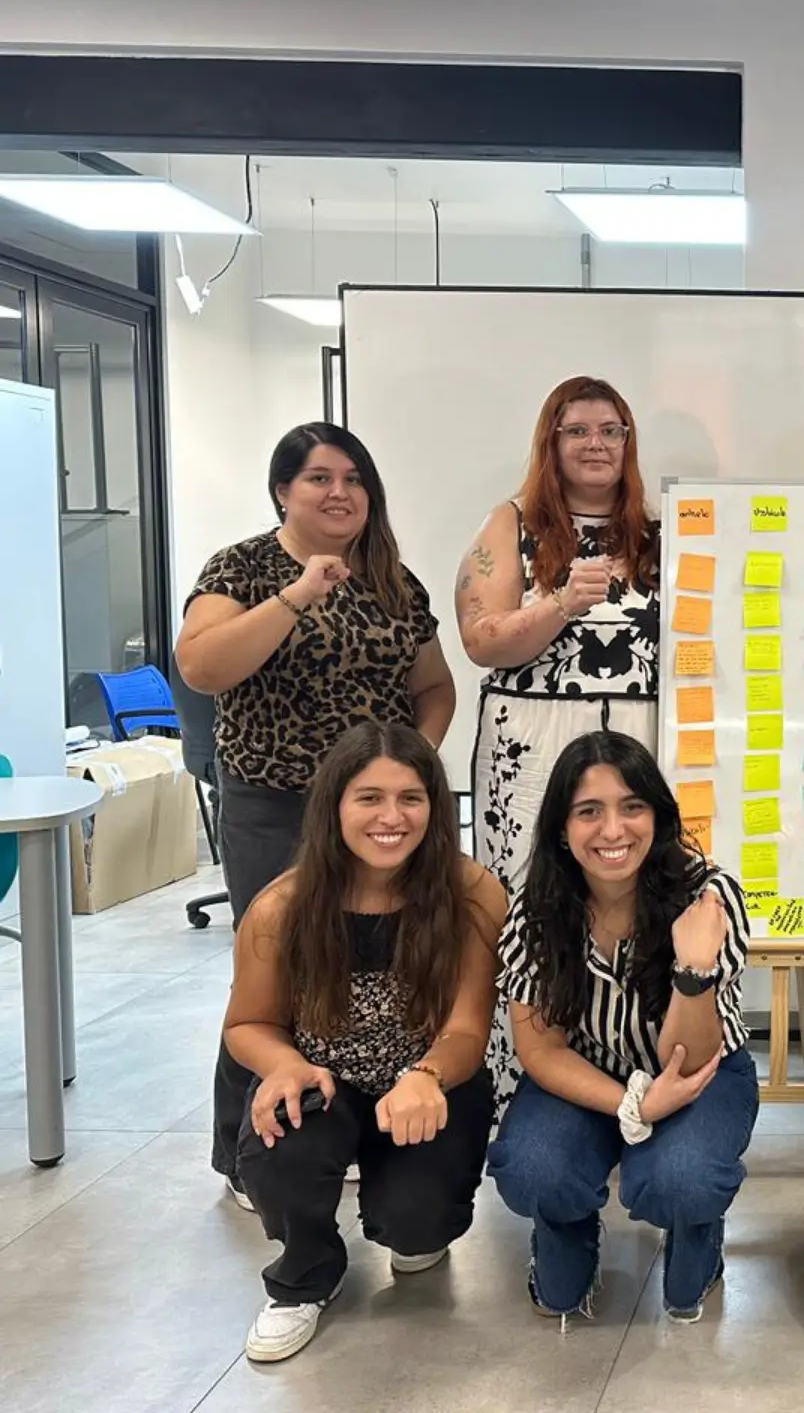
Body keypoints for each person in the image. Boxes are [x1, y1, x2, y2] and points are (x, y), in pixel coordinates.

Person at [177, 421, 457, 1205]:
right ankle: (245, 1152)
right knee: (271, 977)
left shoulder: (393, 579)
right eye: (320, 478)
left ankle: (352, 1133)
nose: (341, 493)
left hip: (380, 821)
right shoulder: (242, 567)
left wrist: (414, 766)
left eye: (354, 479)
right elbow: (202, 666)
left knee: (374, 972)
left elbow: (435, 687)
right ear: (283, 491)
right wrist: (298, 594)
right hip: (279, 806)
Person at [222, 723, 506, 1363]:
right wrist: (285, 1066)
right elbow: (246, 1024)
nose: (391, 817)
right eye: (369, 798)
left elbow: (468, 1029)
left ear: (435, 807)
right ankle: (304, 1275)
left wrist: (426, 1076)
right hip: (323, 1081)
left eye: (410, 798)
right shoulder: (281, 907)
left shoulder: (472, 893)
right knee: (281, 1149)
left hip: (429, 1082)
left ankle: (408, 1216)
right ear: (335, 806)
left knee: (416, 1224)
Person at [485, 731, 757, 1326]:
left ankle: (699, 1233)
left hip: (700, 1073)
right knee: (532, 1172)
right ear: (562, 829)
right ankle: (570, 1233)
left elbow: (690, 1056)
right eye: (589, 811)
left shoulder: (708, 897)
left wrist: (693, 970)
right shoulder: (537, 910)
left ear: (657, 817)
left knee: (682, 1184)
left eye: (632, 806)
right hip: (585, 1074)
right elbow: (540, 1050)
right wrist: (633, 1104)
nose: (613, 830)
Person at [458, 375, 662, 1117]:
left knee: (636, 901)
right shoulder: (510, 525)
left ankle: (630, 1077)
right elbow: (481, 640)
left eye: (611, 430)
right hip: (534, 745)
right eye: (577, 430)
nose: (595, 444)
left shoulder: (658, 532)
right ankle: (522, 1090)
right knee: (527, 899)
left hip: (639, 738)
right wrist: (561, 603)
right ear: (552, 441)